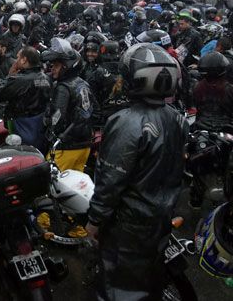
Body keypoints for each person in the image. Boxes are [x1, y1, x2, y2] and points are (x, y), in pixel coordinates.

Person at [85, 43, 186, 300]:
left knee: (119, 288)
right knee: (150, 279)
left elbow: (110, 181)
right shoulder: (176, 118)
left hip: (128, 226)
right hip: (162, 216)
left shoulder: (125, 121)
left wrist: (95, 220)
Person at [42, 38, 95, 172]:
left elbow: (57, 117)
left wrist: (48, 125)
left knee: (53, 182)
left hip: (66, 147)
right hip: (85, 144)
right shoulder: (83, 83)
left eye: (56, 65)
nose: (52, 68)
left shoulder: (63, 88)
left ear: (66, 67)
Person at [0, 46, 51, 152]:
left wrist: (9, 75)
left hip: (21, 124)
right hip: (40, 124)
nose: (16, 60)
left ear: (24, 60)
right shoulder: (47, 78)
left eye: (18, 57)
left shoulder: (20, 80)